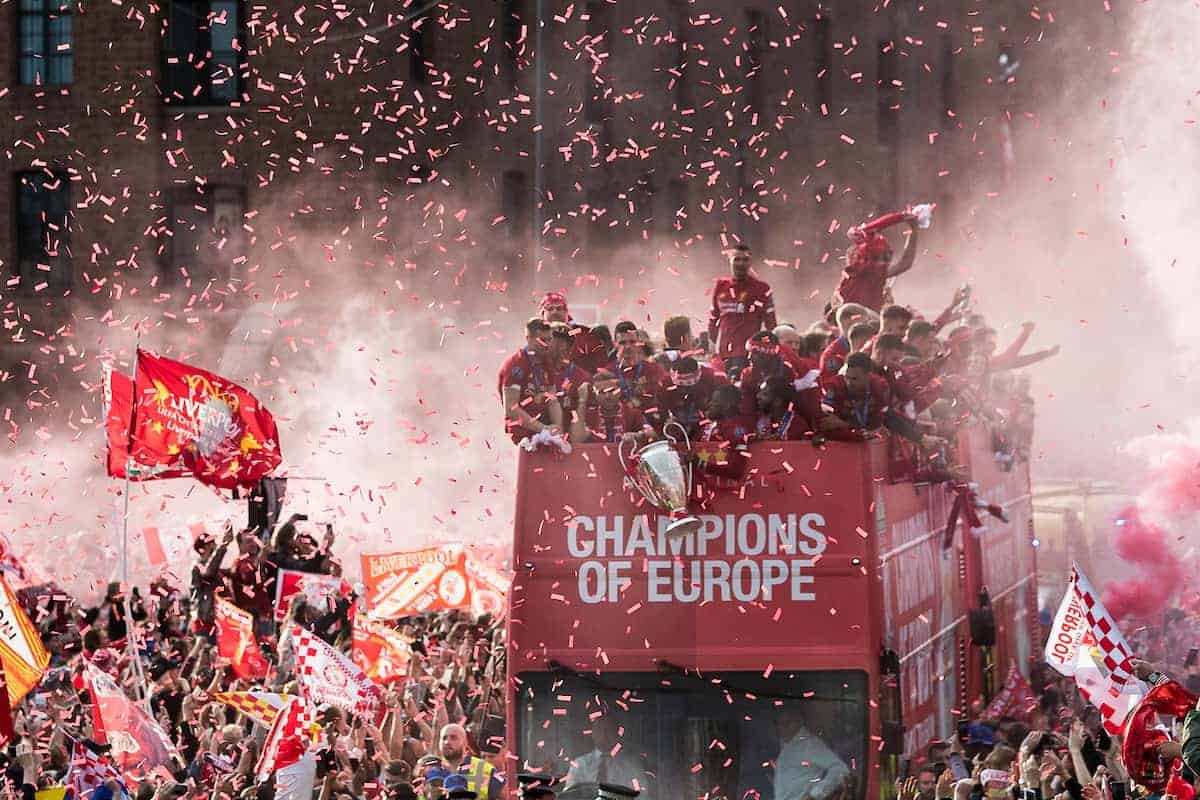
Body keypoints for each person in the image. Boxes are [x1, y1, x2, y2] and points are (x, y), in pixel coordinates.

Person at [833, 209, 922, 312]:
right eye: (881, 257)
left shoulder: (867, 271)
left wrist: (910, 227)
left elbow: (905, 263)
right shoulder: (864, 270)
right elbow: (904, 264)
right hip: (857, 322)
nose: (885, 262)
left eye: (887, 257)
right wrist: (903, 218)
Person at [708, 244, 777, 376]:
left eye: (745, 260)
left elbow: (771, 324)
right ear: (730, 260)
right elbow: (713, 319)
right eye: (737, 259)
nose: (741, 263)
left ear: (750, 262)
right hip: (723, 354)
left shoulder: (762, 289)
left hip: (749, 354)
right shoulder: (720, 286)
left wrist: (768, 353)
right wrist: (712, 347)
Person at [498, 318, 564, 443]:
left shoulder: (547, 362)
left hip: (543, 431)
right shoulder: (516, 364)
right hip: (520, 435)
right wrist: (542, 429)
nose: (548, 344)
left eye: (550, 339)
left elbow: (553, 401)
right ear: (528, 338)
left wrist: (557, 428)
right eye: (542, 340)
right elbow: (511, 408)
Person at [772, 705, 851, 800]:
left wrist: (815, 795)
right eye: (779, 723)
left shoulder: (809, 745)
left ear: (799, 721)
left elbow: (841, 769)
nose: (783, 727)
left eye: (787, 722)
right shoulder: (784, 746)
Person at [562, 716, 648, 796]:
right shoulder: (580, 764)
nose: (604, 735)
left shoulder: (631, 766)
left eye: (608, 730)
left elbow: (642, 796)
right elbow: (569, 796)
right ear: (593, 734)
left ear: (617, 734)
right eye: (599, 730)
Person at [658, 357, 727, 440]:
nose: (685, 390)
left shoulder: (714, 378)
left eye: (689, 385)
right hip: (679, 420)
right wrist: (660, 430)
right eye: (681, 385)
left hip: (707, 419)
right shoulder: (664, 384)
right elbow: (660, 410)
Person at [539, 292, 608, 373]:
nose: (555, 312)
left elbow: (602, 366)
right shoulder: (536, 337)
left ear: (566, 312)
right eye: (550, 309)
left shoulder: (584, 334)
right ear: (542, 314)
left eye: (559, 308)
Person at [608, 322, 667, 415]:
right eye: (622, 342)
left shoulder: (655, 370)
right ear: (615, 344)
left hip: (651, 425)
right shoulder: (607, 373)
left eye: (632, 342)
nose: (628, 346)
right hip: (620, 426)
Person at [578, 369, 650, 444]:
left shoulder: (633, 413)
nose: (607, 396)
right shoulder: (588, 415)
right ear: (595, 395)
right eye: (602, 392)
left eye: (611, 391)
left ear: (620, 392)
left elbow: (652, 432)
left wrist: (638, 435)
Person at [438, 723, 503, 800]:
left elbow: (509, 795)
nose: (447, 742)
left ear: (465, 743)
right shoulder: (430, 770)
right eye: (444, 738)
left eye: (453, 738)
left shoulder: (483, 768)